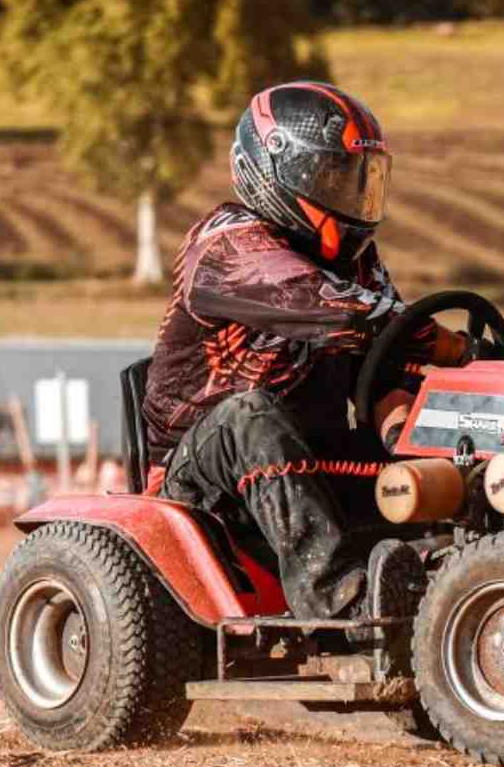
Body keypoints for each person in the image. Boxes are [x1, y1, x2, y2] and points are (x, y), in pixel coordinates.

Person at [143, 81, 471, 619]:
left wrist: (411, 452)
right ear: (281, 173)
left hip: (306, 464)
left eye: (359, 182)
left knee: (443, 432)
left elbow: (388, 358)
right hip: (200, 481)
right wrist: (449, 344)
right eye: (333, 180)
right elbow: (338, 309)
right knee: (249, 415)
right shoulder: (225, 243)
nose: (351, 198)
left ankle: (456, 567)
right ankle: (337, 599)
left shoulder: (357, 262)